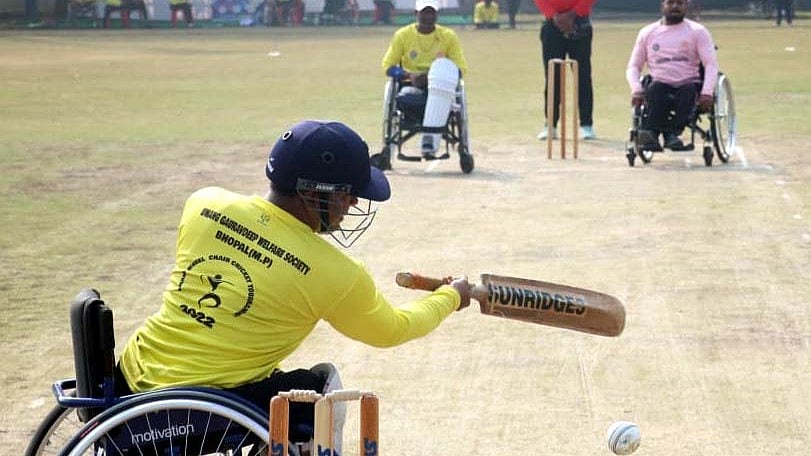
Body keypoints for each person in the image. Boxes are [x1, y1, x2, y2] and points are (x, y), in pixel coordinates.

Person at [116, 120, 472, 454]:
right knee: (321, 388)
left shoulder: (203, 204)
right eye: (348, 193)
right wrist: (451, 296)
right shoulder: (335, 272)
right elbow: (394, 329)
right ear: (311, 191)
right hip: (193, 415)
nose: (354, 203)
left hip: (125, 389)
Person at [380, 0, 469, 163]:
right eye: (424, 12)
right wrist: (408, 76)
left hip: (441, 85)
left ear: (437, 14)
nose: (428, 17)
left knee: (439, 86)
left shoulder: (448, 36)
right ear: (416, 14)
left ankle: (436, 145)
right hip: (410, 83)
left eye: (431, 12)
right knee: (408, 96)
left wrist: (435, 75)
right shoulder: (403, 35)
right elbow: (388, 66)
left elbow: (460, 69)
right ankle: (390, 149)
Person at [625, 0, 717, 151]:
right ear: (663, 5)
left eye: (679, 3)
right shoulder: (647, 32)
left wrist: (707, 92)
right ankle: (651, 134)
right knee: (655, 89)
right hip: (659, 83)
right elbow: (633, 66)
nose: (675, 6)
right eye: (671, 2)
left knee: (687, 90)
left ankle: (671, 134)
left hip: (688, 82)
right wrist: (635, 88)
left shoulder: (697, 31)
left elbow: (711, 65)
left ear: (686, 6)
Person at [533, 0, 596, 141]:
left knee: (583, 76)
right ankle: (550, 125)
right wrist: (554, 16)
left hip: (580, 22)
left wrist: (572, 14)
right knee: (552, 77)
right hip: (552, 24)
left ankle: (586, 124)